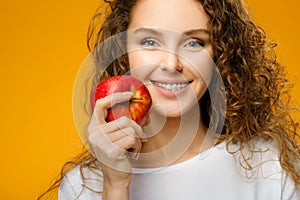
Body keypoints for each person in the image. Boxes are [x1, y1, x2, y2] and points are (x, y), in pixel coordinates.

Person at [38, 0, 300, 199]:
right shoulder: (85, 186)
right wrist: (115, 186)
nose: (172, 63)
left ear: (220, 54)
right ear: (124, 50)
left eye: (194, 43)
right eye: (150, 41)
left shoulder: (270, 167)